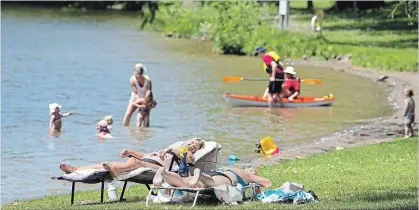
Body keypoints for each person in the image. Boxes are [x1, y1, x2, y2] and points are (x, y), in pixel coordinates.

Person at [59, 138, 203, 177]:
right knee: (131, 161)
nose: (191, 145)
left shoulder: (187, 154)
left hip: (161, 169)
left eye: (195, 146)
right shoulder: (171, 149)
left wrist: (171, 149)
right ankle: (75, 169)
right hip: (148, 160)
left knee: (137, 163)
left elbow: (189, 159)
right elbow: (147, 156)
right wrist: (131, 151)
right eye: (191, 142)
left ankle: (115, 170)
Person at [152, 166, 272, 203]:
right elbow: (267, 182)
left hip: (213, 171)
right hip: (225, 178)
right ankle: (201, 176)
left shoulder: (227, 167)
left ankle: (165, 173)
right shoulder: (243, 173)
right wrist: (253, 178)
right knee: (211, 184)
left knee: (184, 182)